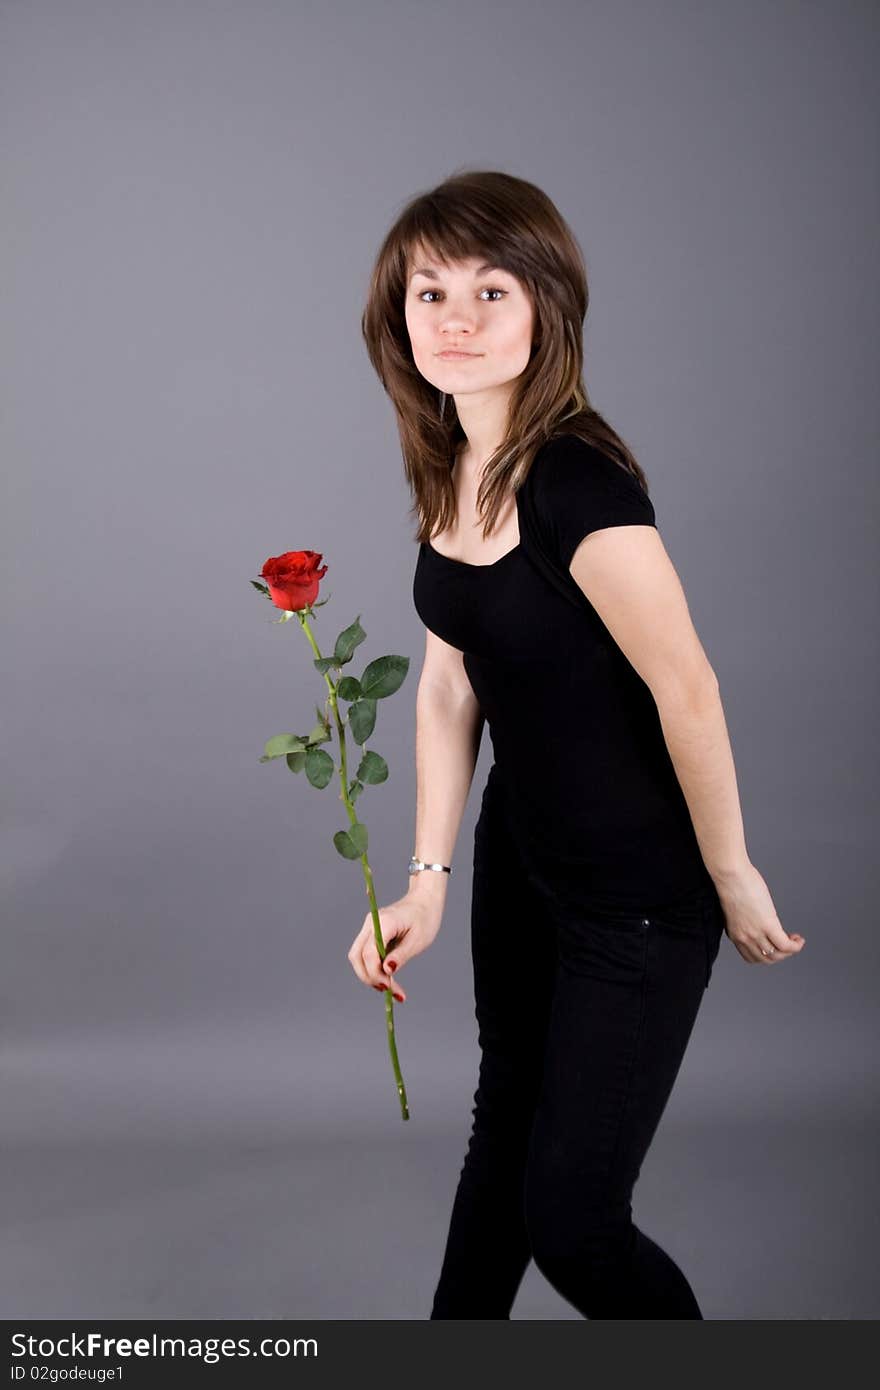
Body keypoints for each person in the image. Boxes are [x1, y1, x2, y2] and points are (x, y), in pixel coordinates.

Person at [349, 169, 806, 1319]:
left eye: (490, 291)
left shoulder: (576, 484)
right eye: (430, 292)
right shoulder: (452, 457)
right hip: (526, 860)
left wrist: (732, 873)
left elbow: (686, 688)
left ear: (548, 306)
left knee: (573, 1216)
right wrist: (425, 880)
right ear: (394, 317)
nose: (454, 319)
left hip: (638, 895)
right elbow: (451, 677)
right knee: (500, 1134)